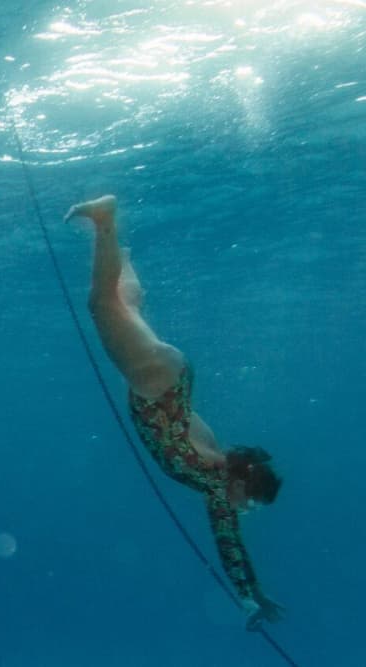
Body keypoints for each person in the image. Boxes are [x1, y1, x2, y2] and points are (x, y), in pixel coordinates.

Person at [64, 194, 285, 631]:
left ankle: (120, 253)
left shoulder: (217, 456)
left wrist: (254, 592)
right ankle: (105, 220)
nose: (243, 511)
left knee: (125, 306)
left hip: (170, 376)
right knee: (101, 306)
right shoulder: (217, 483)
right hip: (155, 383)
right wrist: (248, 597)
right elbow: (230, 547)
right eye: (250, 504)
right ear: (242, 483)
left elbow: (187, 421)